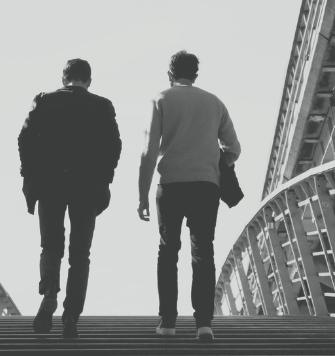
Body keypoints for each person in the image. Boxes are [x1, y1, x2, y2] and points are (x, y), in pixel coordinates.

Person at [137, 50, 241, 340]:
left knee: (168, 252)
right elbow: (234, 148)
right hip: (206, 187)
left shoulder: (161, 99)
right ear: (196, 75)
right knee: (203, 252)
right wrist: (215, 164)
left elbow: (148, 150)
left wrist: (142, 194)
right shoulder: (214, 102)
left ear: (170, 74)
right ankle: (204, 324)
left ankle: (168, 322)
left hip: (170, 185)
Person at [18, 58, 121, 339]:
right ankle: (71, 317)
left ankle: (49, 291)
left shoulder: (45, 100)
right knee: (80, 254)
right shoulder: (102, 105)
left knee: (51, 245)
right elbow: (114, 146)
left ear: (64, 79)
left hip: (50, 183)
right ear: (88, 81)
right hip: (87, 187)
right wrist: (104, 177)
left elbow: (24, 138)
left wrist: (30, 173)